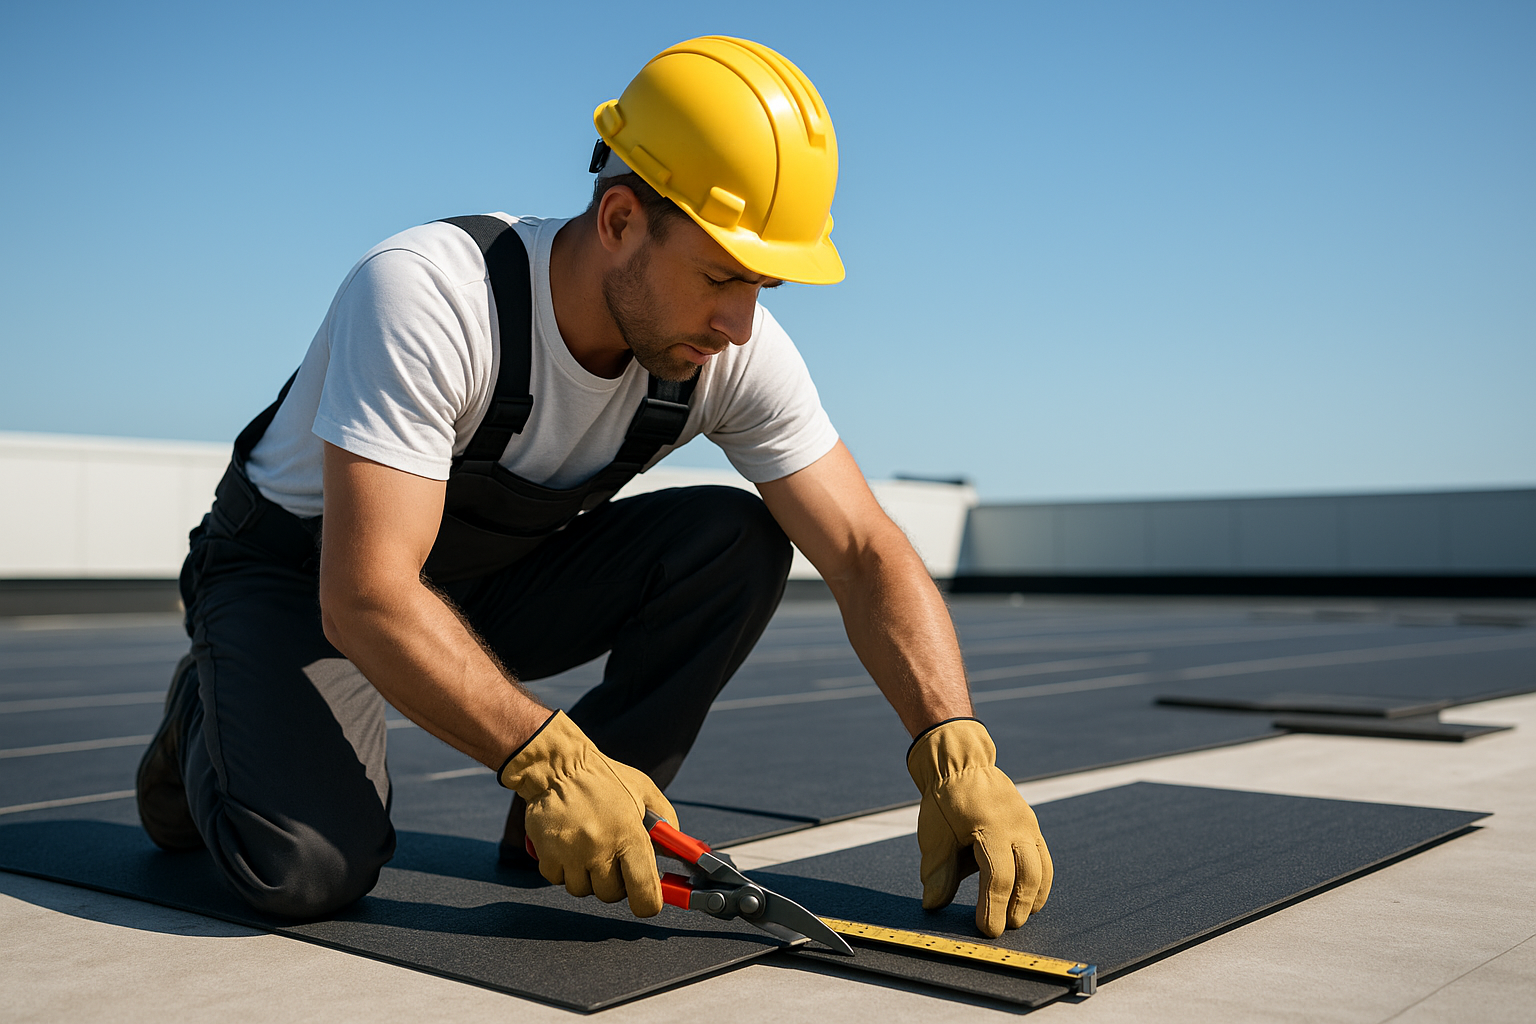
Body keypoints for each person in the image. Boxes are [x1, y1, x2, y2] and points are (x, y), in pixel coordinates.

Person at [135, 35, 1052, 939]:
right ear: (619, 221)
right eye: (723, 276)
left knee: (736, 540)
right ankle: (205, 709)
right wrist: (551, 762)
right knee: (308, 870)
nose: (740, 322)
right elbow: (368, 593)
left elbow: (860, 550)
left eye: (764, 284)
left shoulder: (724, 348)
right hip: (305, 581)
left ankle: (575, 827)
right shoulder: (430, 297)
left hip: (483, 582)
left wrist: (954, 750)